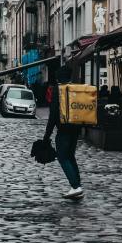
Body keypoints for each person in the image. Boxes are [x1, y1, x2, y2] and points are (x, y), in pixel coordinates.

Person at [43, 65, 83, 200]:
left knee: (62, 157)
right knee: (70, 156)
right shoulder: (75, 89)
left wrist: (46, 135)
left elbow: (53, 115)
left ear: (59, 77)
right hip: (75, 129)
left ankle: (76, 186)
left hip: (64, 130)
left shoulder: (58, 91)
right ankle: (77, 186)